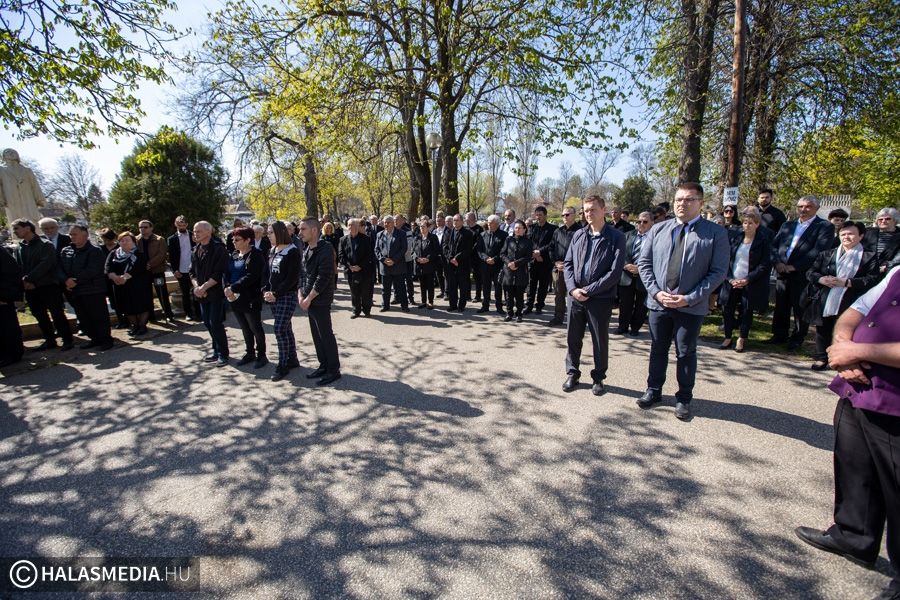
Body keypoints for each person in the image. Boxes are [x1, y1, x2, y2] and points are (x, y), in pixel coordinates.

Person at [795, 265, 900, 600]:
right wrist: (842, 345)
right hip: (858, 390)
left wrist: (859, 352)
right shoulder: (897, 272)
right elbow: (856, 310)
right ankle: (853, 535)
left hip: (895, 401)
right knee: (856, 467)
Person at [637, 182, 730, 420]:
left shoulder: (715, 233)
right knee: (658, 348)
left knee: (685, 352)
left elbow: (718, 271)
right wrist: (656, 292)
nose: (682, 204)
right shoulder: (658, 229)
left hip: (690, 306)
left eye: (689, 200)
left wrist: (689, 298)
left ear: (700, 203)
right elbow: (644, 264)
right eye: (679, 199)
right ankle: (653, 390)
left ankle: (684, 398)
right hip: (659, 303)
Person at [562, 195, 626, 396]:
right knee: (573, 338)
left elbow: (614, 272)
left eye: (593, 210)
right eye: (586, 210)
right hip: (575, 297)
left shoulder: (616, 237)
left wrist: (589, 290)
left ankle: (598, 377)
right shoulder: (579, 235)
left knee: (599, 340)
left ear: (603, 210)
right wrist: (573, 289)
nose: (589, 214)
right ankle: (572, 373)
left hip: (600, 299)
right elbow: (568, 264)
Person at [805, 222, 880, 370]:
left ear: (861, 236)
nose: (846, 237)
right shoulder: (827, 254)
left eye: (850, 234)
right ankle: (821, 357)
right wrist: (821, 279)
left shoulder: (869, 256)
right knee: (823, 328)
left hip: (851, 298)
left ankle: (842, 359)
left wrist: (847, 282)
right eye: (843, 234)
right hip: (826, 297)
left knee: (845, 330)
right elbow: (810, 272)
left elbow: (873, 279)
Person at [769, 195, 836, 350]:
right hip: (781, 271)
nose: (803, 210)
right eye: (800, 206)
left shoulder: (824, 226)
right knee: (781, 305)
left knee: (800, 307)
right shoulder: (787, 225)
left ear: (816, 208)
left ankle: (797, 338)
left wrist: (794, 267)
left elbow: (819, 250)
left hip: (803, 274)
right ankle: (779, 335)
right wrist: (777, 262)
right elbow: (774, 245)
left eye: (808, 206)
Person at [12, 219, 74, 350]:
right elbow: (18, 266)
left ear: (27, 228)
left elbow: (46, 264)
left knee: (57, 313)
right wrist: (24, 281)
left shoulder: (45, 244)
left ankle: (67, 340)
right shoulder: (20, 247)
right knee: (39, 315)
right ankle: (49, 340)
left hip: (48, 285)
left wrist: (30, 279)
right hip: (30, 288)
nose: (15, 232)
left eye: (17, 228)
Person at [717, 207, 772, 352]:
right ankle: (727, 337)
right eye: (745, 223)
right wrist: (730, 279)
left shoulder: (763, 241)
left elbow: (764, 264)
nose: (747, 226)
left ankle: (741, 338)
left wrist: (747, 279)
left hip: (750, 282)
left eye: (751, 223)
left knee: (746, 311)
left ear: (757, 224)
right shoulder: (735, 238)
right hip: (731, 281)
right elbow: (726, 260)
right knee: (727, 310)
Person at [298, 217, 341, 385]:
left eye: (303, 229)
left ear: (314, 230)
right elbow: (303, 274)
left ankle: (333, 370)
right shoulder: (307, 248)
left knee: (325, 335)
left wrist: (308, 298)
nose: (300, 233)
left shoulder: (326, 248)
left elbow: (324, 277)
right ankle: (323, 365)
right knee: (316, 336)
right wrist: (301, 295)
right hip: (308, 300)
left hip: (320, 300)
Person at [57, 224, 114, 351]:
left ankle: (106, 340)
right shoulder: (66, 251)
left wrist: (75, 281)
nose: (72, 237)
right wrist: (66, 280)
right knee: (84, 318)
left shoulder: (95, 251)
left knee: (99, 317)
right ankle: (94, 338)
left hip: (93, 290)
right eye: (71, 234)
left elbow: (93, 270)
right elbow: (59, 268)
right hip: (75, 291)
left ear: (85, 235)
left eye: (75, 234)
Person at [224, 227, 267, 369]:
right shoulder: (234, 255)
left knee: (255, 327)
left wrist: (233, 288)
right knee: (244, 327)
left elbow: (252, 276)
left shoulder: (256, 255)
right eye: (233, 240)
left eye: (237, 240)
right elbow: (227, 273)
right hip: (235, 297)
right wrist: (227, 287)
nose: (234, 242)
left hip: (250, 297)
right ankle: (250, 353)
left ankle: (262, 355)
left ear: (248, 240)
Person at [263, 221, 301, 381]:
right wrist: (265, 290)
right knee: (286, 328)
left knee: (279, 329)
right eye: (268, 233)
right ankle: (292, 359)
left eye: (271, 232)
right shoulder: (272, 250)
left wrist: (276, 293)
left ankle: (282, 365)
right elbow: (268, 274)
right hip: (273, 296)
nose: (268, 235)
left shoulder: (292, 251)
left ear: (280, 232)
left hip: (286, 296)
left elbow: (292, 278)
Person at [190, 221, 230, 367]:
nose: (195, 234)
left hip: (215, 293)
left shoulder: (219, 249)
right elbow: (192, 272)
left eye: (198, 231)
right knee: (207, 322)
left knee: (215, 322)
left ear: (208, 232)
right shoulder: (196, 250)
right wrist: (197, 287)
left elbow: (219, 273)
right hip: (202, 294)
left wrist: (204, 287)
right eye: (194, 231)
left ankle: (223, 354)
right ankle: (216, 350)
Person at [105, 231, 152, 337]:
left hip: (138, 284)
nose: (124, 242)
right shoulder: (114, 253)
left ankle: (142, 326)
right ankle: (135, 325)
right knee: (127, 306)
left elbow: (139, 267)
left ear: (133, 242)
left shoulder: (139, 254)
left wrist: (125, 277)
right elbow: (108, 266)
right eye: (122, 240)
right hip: (120, 285)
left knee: (141, 305)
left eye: (127, 240)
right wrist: (114, 276)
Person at [617, 211, 653, 336]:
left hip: (644, 278)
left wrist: (640, 268)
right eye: (639, 221)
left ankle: (635, 328)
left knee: (641, 306)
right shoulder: (627, 235)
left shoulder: (656, 238)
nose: (641, 224)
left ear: (652, 222)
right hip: (626, 276)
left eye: (645, 222)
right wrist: (625, 265)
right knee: (625, 304)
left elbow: (658, 258)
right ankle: (622, 327)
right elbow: (619, 254)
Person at [548, 207, 582, 325]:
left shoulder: (581, 231)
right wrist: (555, 262)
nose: (564, 217)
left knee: (574, 294)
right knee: (559, 294)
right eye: (563, 215)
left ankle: (575, 320)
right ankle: (558, 317)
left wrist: (569, 265)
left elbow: (582, 251)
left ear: (574, 215)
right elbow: (551, 248)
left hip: (574, 269)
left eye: (567, 215)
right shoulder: (558, 231)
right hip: (558, 268)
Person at [0, 148, 46, 231]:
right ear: (4, 156)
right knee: (15, 220)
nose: (11, 153)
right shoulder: (1, 170)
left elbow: (34, 185)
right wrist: (1, 200)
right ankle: (18, 236)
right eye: (7, 152)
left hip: (28, 198)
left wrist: (39, 199)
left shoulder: (27, 170)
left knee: (32, 218)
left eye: (13, 152)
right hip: (11, 199)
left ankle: (36, 234)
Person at [338, 218, 375, 317]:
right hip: (350, 271)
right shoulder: (343, 240)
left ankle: (366, 310)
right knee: (354, 292)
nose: (351, 227)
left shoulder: (366, 239)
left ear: (358, 227)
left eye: (353, 225)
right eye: (349, 225)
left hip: (364, 270)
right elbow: (341, 255)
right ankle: (356, 310)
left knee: (365, 292)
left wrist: (360, 266)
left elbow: (369, 254)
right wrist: (350, 266)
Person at [524, 205, 557, 314]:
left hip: (545, 261)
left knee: (543, 285)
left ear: (545, 215)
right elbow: (528, 241)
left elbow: (552, 243)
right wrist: (535, 253)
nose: (538, 217)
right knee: (531, 285)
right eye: (536, 215)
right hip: (533, 260)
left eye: (540, 215)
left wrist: (540, 252)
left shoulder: (552, 229)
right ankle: (529, 306)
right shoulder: (532, 227)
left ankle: (539, 306)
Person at [138, 220, 173, 322]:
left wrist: (150, 264)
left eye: (145, 227)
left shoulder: (159, 239)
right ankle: (151, 316)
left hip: (157, 271)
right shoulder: (136, 240)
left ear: (151, 228)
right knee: (146, 294)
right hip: (143, 272)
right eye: (140, 227)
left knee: (162, 292)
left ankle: (168, 314)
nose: (142, 229)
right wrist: (142, 265)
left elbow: (162, 254)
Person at [167, 216, 199, 322]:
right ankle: (188, 313)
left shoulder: (193, 235)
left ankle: (199, 313)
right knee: (185, 293)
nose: (182, 227)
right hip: (182, 269)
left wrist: (197, 241)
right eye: (179, 225)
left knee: (197, 290)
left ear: (187, 225)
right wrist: (175, 270)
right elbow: (171, 256)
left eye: (183, 225)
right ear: (176, 224)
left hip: (195, 268)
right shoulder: (172, 239)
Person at [375, 215, 409, 312]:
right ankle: (385, 306)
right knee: (385, 288)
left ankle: (404, 306)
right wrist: (383, 259)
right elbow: (376, 250)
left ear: (393, 223)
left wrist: (394, 260)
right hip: (385, 266)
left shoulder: (401, 233)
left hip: (398, 265)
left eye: (388, 222)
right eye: (384, 222)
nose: (386, 224)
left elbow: (404, 248)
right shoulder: (379, 234)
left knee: (401, 288)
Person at [500, 219, 533, 322]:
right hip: (508, 271)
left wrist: (516, 263)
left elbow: (528, 256)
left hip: (521, 271)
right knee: (508, 295)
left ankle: (519, 314)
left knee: (519, 295)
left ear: (524, 229)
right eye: (516, 228)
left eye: (519, 228)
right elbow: (502, 253)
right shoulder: (509, 239)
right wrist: (509, 263)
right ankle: (509, 313)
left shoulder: (528, 241)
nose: (517, 230)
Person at [442, 214, 475, 313]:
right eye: (454, 220)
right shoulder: (448, 232)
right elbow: (444, 246)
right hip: (451, 264)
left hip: (462, 264)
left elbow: (468, 249)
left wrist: (457, 258)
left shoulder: (468, 233)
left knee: (462, 286)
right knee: (452, 286)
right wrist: (451, 258)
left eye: (456, 220)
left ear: (462, 221)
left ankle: (461, 306)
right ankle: (453, 305)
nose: (454, 222)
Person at [476, 214, 508, 314]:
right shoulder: (482, 235)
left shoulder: (504, 235)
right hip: (485, 265)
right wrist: (486, 258)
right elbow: (479, 250)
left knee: (498, 287)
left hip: (497, 265)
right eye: (488, 223)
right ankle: (485, 306)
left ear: (497, 224)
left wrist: (495, 259)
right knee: (486, 286)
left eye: (491, 223)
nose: (489, 225)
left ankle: (499, 307)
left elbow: (504, 250)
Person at [0, 245, 24, 367]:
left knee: (7, 327)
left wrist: (4, 295)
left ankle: (12, 355)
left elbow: (12, 273)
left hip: (3, 298)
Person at [99, 228, 127, 328]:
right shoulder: (100, 249)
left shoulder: (120, 247)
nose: (106, 241)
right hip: (107, 279)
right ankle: (121, 320)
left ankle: (128, 319)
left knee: (124, 299)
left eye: (108, 239)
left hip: (120, 277)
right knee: (113, 301)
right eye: (104, 239)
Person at [412, 218, 442, 309]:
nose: (421, 228)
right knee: (422, 284)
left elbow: (436, 251)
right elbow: (413, 251)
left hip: (430, 265)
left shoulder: (433, 237)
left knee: (430, 284)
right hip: (419, 265)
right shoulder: (417, 238)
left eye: (423, 227)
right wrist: (417, 258)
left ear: (428, 228)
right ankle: (423, 301)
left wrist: (428, 259)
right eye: (420, 227)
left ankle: (430, 302)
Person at [863, 207, 900, 275]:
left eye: (887, 219)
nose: (883, 221)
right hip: (866, 270)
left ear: (895, 221)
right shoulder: (868, 232)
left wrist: (888, 265)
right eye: (880, 219)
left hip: (889, 272)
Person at [395, 214, 416, 304]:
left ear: (403, 221)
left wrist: (399, 255)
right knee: (396, 279)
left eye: (397, 219)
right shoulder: (393, 230)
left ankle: (410, 297)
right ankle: (397, 297)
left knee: (408, 280)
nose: (395, 221)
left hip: (406, 259)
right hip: (396, 260)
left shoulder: (407, 231)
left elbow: (408, 246)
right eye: (394, 219)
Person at [465, 212, 484, 303]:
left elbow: (478, 243)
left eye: (467, 218)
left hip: (476, 257)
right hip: (466, 257)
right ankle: (467, 295)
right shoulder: (465, 228)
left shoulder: (479, 229)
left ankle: (478, 296)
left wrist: (469, 250)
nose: (466, 220)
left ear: (472, 218)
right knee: (466, 276)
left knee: (477, 277)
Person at [432, 212, 448, 297]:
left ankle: (447, 292)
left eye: (440, 220)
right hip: (436, 257)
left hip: (445, 256)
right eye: (437, 220)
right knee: (438, 274)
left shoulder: (448, 231)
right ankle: (442, 291)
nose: (438, 222)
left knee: (446, 274)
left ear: (444, 220)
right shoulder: (434, 231)